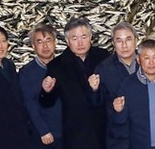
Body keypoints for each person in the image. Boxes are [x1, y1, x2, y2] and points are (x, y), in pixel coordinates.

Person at [39, 18, 110, 149]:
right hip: (76, 133)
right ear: (67, 41)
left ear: (90, 37)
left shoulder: (103, 57)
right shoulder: (57, 66)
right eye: (75, 38)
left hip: (104, 129)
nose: (80, 43)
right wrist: (46, 91)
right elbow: (47, 103)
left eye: (84, 37)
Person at [109, 39, 155, 149]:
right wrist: (117, 111)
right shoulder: (128, 85)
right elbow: (120, 123)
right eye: (146, 58)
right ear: (138, 59)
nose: (151, 63)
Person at [19, 23, 64, 149]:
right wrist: (43, 130)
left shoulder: (65, 66)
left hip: (66, 132)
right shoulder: (26, 72)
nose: (45, 46)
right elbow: (29, 104)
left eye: (48, 40)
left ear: (55, 43)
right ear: (33, 46)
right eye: (39, 42)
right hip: (43, 135)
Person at [97, 22, 139, 149]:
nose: (124, 45)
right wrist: (113, 107)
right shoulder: (104, 69)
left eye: (128, 39)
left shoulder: (147, 62)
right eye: (119, 41)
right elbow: (96, 103)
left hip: (145, 135)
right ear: (113, 44)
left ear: (136, 40)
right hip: (119, 138)